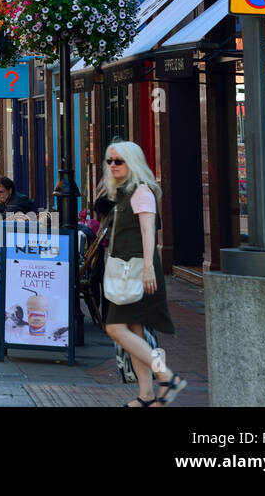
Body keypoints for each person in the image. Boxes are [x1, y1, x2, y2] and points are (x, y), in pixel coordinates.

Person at [99, 140, 185, 407]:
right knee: (137, 333)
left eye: (119, 161)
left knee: (115, 327)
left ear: (132, 163)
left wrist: (149, 268)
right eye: (110, 161)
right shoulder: (123, 192)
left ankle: (168, 378)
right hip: (128, 271)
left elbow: (149, 231)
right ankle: (146, 395)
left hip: (138, 271)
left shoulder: (141, 191)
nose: (112, 165)